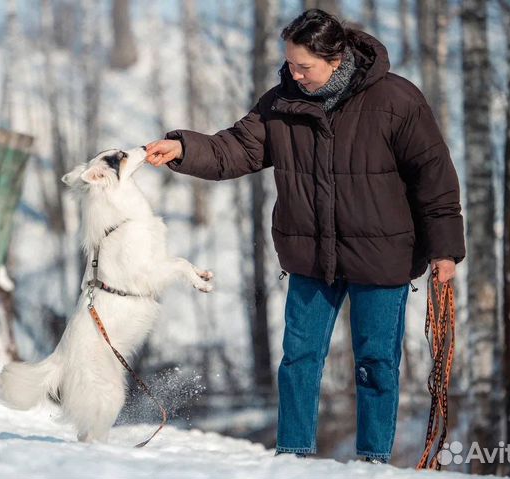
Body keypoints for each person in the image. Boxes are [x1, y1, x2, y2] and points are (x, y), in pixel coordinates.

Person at [144, 9, 465, 464]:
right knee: (298, 360)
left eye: (303, 66)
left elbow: (434, 176)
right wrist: (183, 147)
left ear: (336, 59)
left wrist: (445, 249)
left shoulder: (397, 100)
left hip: (383, 254)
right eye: (290, 64)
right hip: (312, 255)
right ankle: (292, 457)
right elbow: (234, 148)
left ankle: (373, 461)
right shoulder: (280, 102)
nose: (294, 74)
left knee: (376, 365)